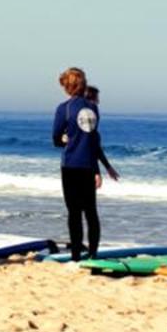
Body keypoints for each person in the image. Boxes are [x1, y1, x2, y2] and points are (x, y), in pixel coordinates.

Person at [52, 67, 105, 260]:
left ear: (67, 86)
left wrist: (65, 139)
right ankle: (93, 254)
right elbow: (92, 140)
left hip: (71, 165)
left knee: (74, 213)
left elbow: (56, 139)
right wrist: (97, 170)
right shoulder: (93, 109)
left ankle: (76, 256)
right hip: (89, 166)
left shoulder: (63, 108)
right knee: (91, 212)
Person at [83, 85, 121, 184]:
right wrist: (98, 172)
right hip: (86, 167)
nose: (98, 101)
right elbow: (92, 148)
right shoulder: (92, 111)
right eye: (97, 98)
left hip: (68, 166)